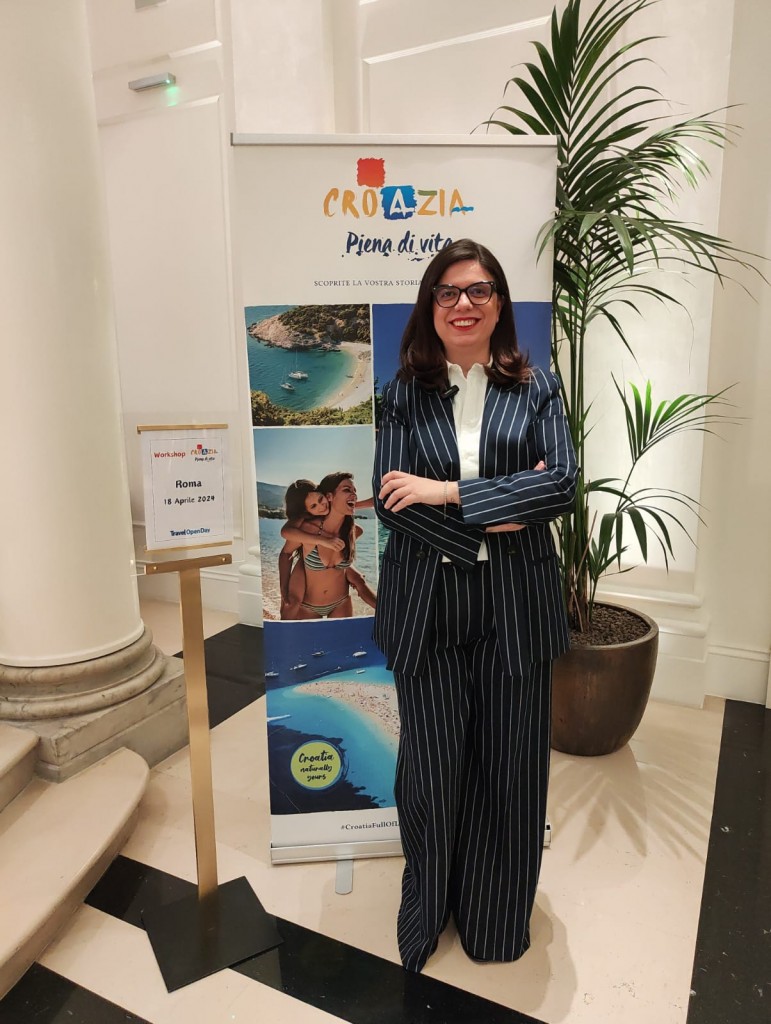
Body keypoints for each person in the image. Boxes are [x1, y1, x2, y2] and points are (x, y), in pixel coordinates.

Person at [373, 238, 577, 972]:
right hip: (427, 603)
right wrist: (497, 515)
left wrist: (449, 492)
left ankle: (494, 920)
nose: (463, 304)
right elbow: (391, 503)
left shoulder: (538, 387)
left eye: (479, 290)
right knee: (430, 771)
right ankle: (426, 913)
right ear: (430, 306)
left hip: (515, 602)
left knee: (510, 767)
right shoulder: (402, 392)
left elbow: (561, 485)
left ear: (499, 304)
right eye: (448, 291)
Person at [279, 472, 377, 619]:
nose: (320, 506)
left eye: (321, 499)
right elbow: (286, 544)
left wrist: (347, 567)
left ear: (326, 496)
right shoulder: (306, 529)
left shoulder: (351, 530)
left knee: (359, 581)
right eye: (313, 506)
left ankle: (391, 615)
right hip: (308, 606)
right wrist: (284, 588)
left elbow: (378, 502)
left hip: (341, 602)